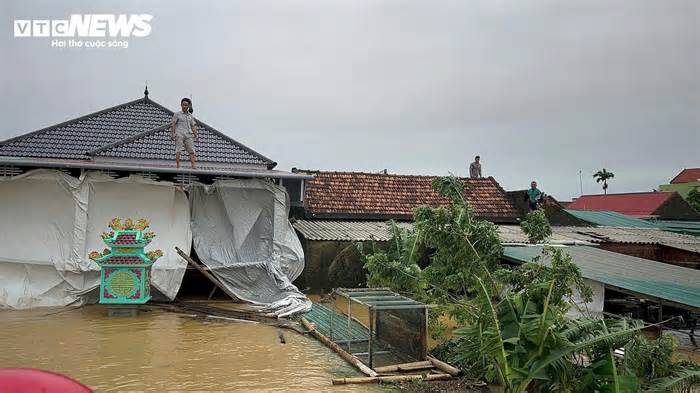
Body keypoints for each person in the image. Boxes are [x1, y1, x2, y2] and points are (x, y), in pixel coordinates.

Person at [170, 98, 198, 169]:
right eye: (183, 105)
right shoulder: (177, 114)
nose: (184, 106)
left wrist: (195, 134)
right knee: (178, 149)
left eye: (186, 105)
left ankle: (193, 166)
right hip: (179, 133)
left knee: (191, 150)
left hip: (188, 134)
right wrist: (172, 134)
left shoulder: (190, 116)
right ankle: (178, 166)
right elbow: (173, 124)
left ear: (188, 106)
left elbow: (193, 126)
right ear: (181, 105)